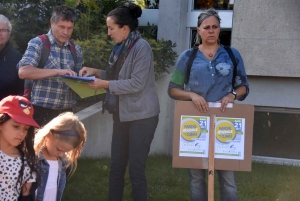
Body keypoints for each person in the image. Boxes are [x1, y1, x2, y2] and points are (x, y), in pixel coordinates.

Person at [79, 2, 160, 201]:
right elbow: (118, 76)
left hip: (143, 116)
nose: (108, 33)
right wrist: (97, 72)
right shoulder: (120, 48)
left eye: (111, 28)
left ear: (125, 28)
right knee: (116, 167)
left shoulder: (142, 47)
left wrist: (103, 83)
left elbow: (136, 83)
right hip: (122, 115)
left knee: (136, 170)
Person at [168, 8, 249, 201]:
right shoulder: (187, 57)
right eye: (207, 27)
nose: (211, 30)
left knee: (228, 178)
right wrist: (191, 95)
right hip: (195, 124)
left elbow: (243, 87)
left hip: (225, 123)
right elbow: (173, 89)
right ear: (199, 30)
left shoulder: (232, 55)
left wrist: (232, 95)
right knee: (196, 178)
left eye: (215, 26)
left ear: (220, 29)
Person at [17, 5, 83, 127]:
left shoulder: (76, 49)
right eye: (62, 27)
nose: (66, 32)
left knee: (65, 147)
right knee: (36, 146)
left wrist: (85, 78)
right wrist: (57, 72)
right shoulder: (38, 43)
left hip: (66, 112)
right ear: (52, 22)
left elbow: (77, 82)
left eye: (70, 28)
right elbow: (24, 72)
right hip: (40, 111)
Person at [32, 112, 87, 201]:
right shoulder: (32, 157)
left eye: (65, 151)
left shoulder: (62, 162)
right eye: (58, 149)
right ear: (48, 135)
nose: (61, 154)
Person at [0, 95, 39, 201]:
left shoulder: (27, 161)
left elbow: (25, 195)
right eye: (16, 126)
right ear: (1, 122)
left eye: (26, 129)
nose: (21, 133)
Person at [0, 15, 23, 101]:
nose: (0, 33)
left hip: (7, 110)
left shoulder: (17, 58)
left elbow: (21, 90)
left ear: (9, 33)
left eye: (3, 30)